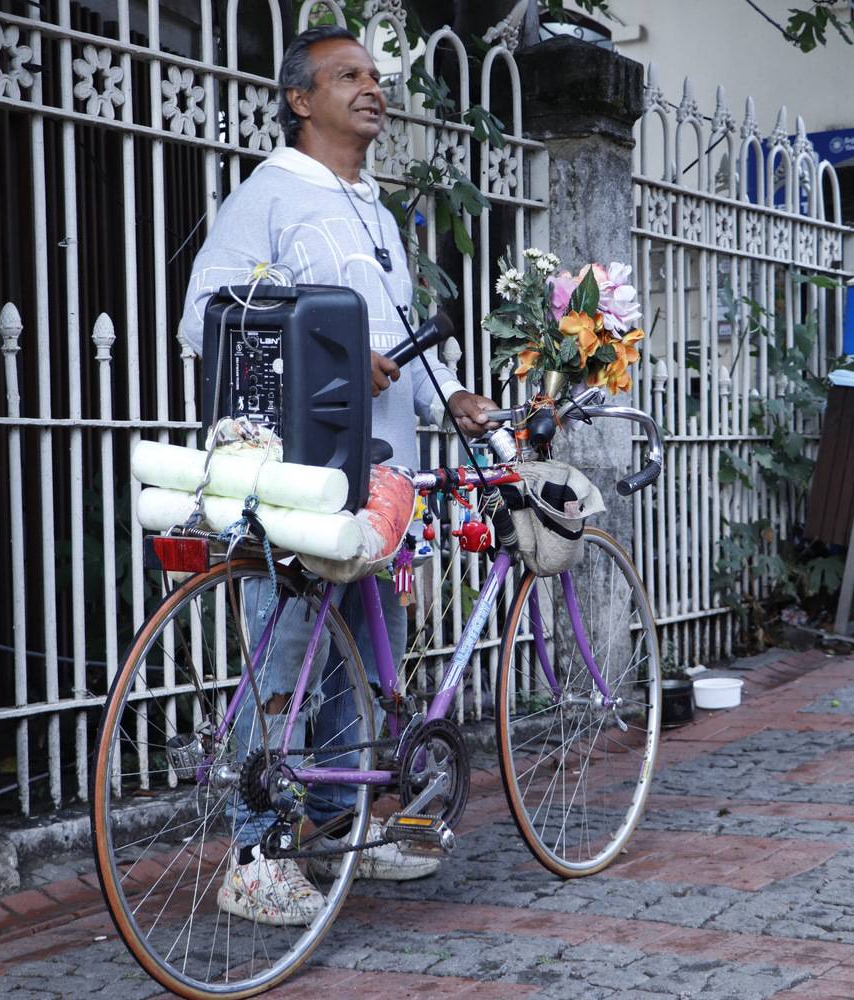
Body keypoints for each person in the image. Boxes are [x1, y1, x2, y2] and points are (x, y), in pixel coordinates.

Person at [177, 26, 497, 926]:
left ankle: (340, 828)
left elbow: (397, 341)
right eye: (348, 75)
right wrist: (331, 357)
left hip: (379, 485)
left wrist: (452, 395)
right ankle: (253, 856)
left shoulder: (375, 212)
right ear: (300, 99)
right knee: (285, 657)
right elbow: (208, 321)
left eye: (375, 76)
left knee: (362, 661)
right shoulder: (268, 197)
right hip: (296, 480)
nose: (372, 88)